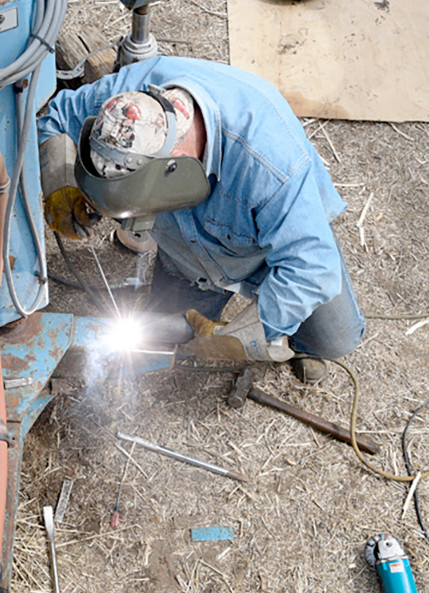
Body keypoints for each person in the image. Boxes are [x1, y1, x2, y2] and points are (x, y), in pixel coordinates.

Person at [37, 55, 365, 383]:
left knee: (334, 339)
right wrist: (60, 183)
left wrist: (246, 336)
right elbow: (56, 117)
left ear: (174, 164)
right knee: (164, 336)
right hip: (188, 258)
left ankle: (294, 337)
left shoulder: (268, 165)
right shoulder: (123, 106)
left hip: (264, 252)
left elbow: (312, 269)